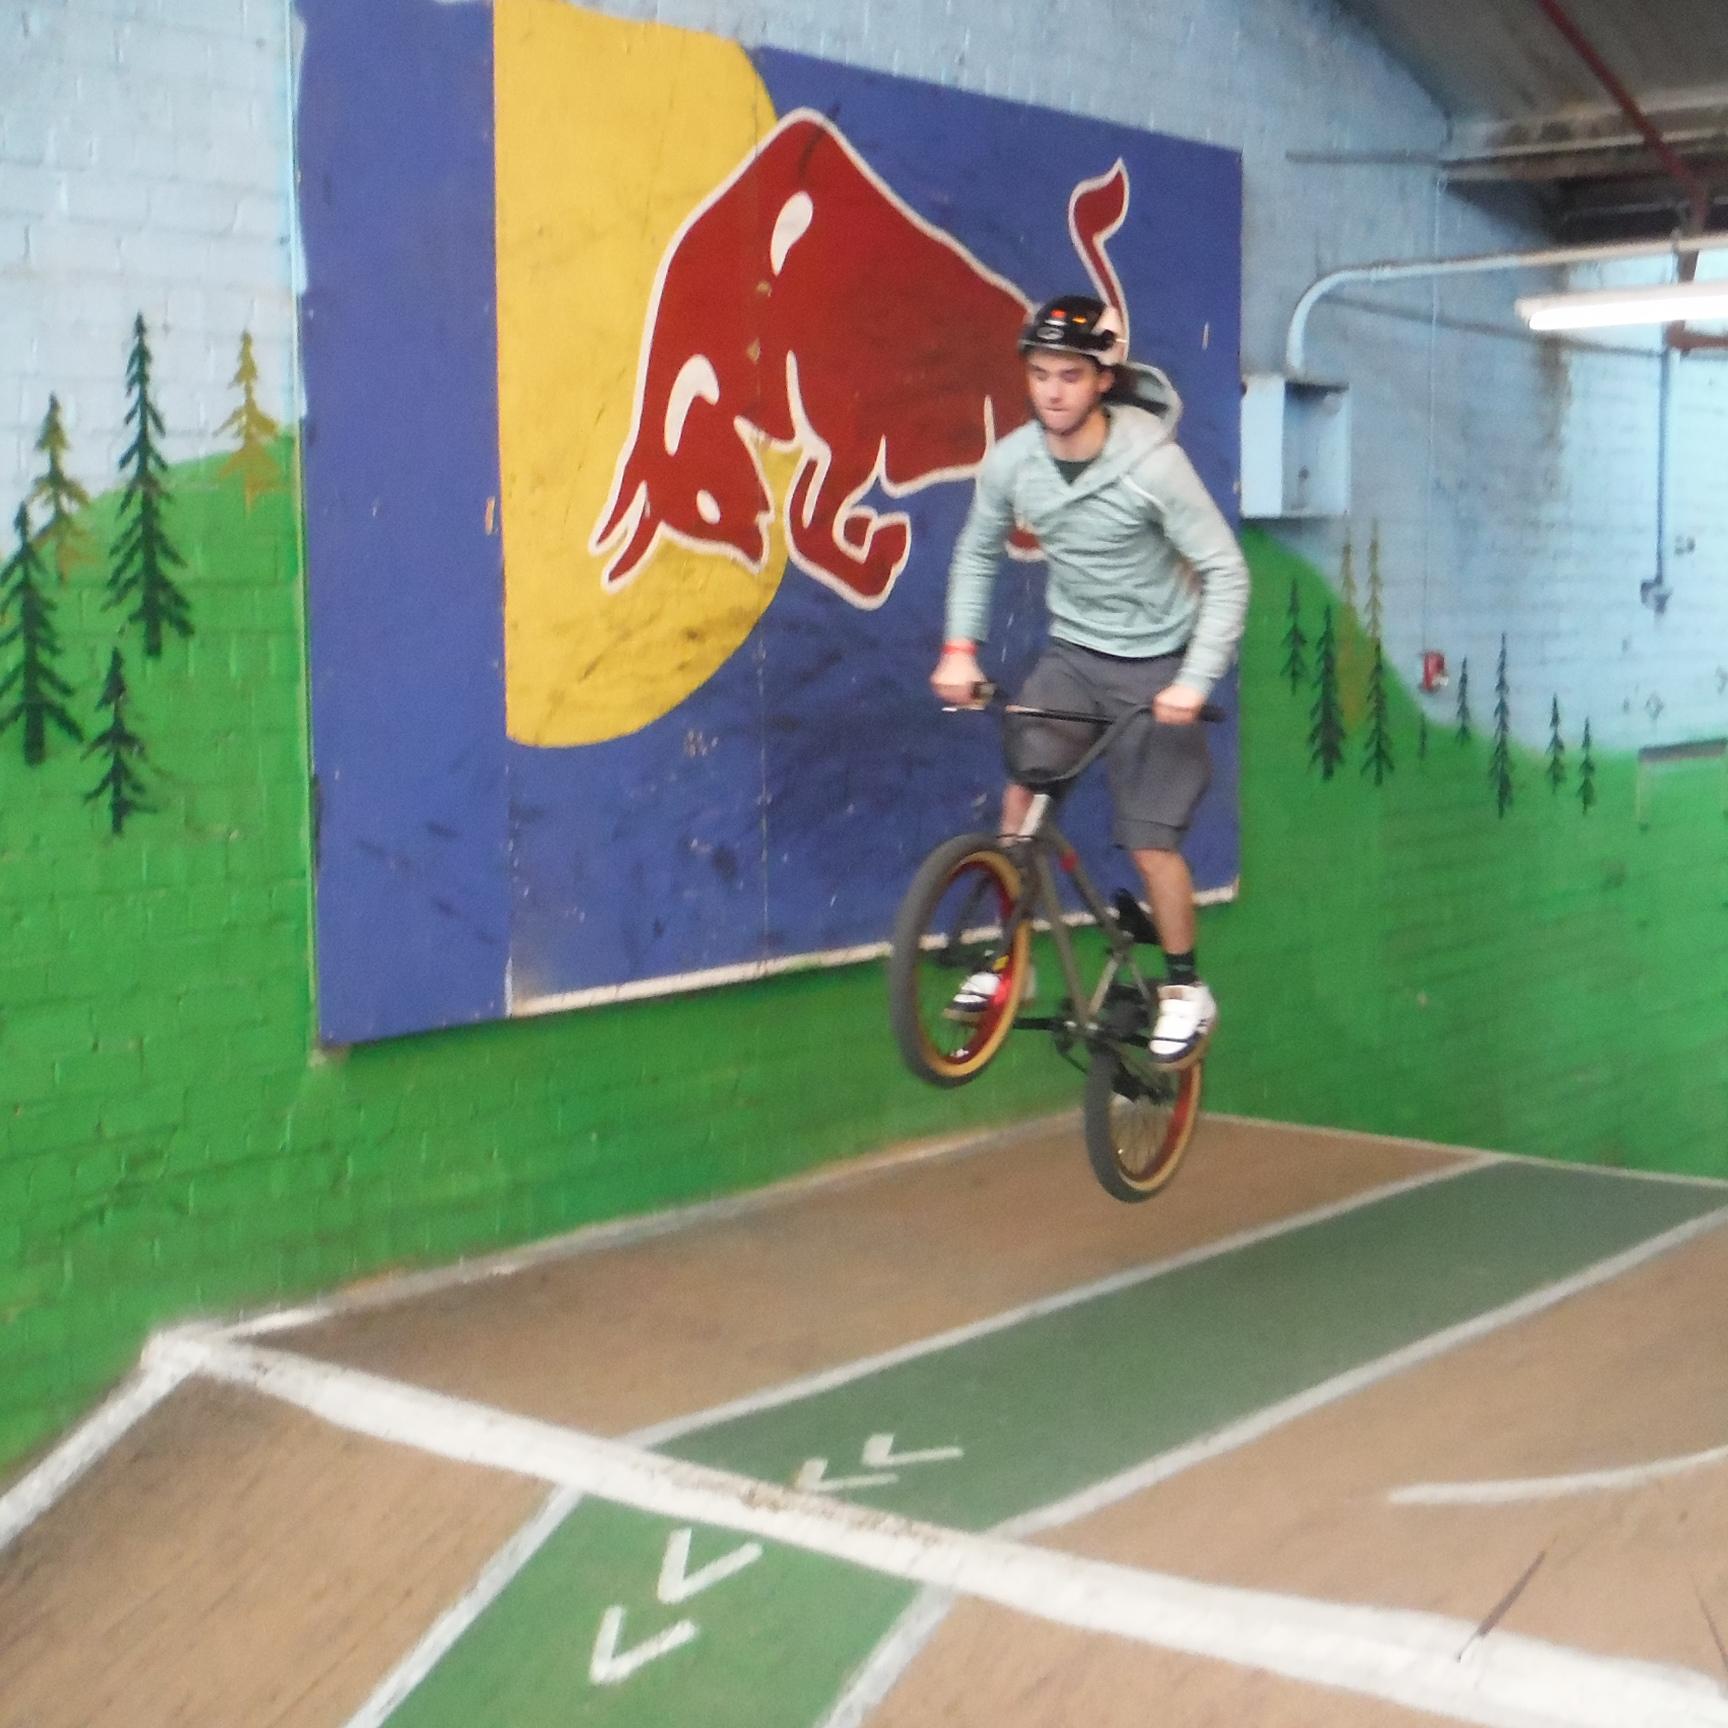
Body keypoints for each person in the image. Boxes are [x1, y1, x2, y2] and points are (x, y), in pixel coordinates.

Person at [930, 294, 1249, 1069]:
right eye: (1039, 374)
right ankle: (1011, 960)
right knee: (1022, 798)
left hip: (1161, 666)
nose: (1051, 391)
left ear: (1103, 380)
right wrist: (960, 650)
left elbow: (1225, 572)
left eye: (1070, 375)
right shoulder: (1014, 463)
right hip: (1075, 654)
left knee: (1148, 844)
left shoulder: (1153, 468)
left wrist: (1193, 681)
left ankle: (1183, 990)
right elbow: (978, 550)